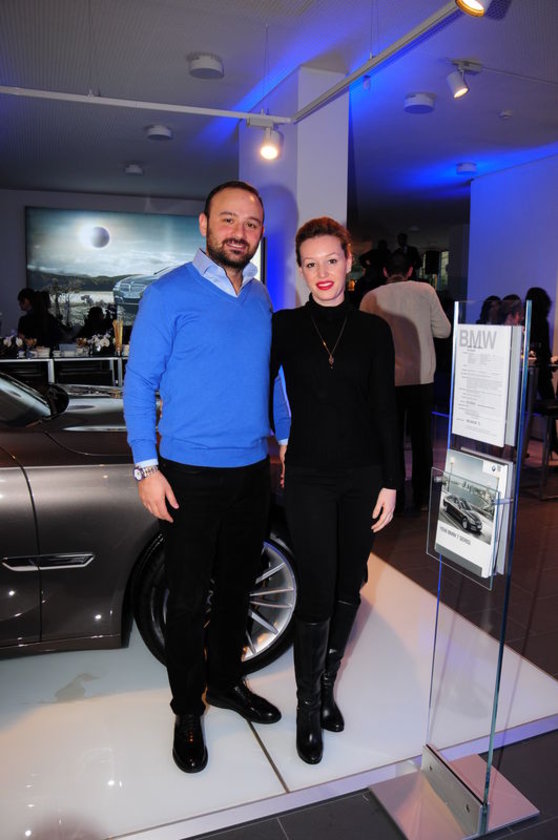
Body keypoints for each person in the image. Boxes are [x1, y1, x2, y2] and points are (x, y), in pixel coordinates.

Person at [123, 181, 290, 774]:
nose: (240, 232)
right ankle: (187, 709)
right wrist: (146, 466)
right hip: (188, 473)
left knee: (238, 589)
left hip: (250, 471)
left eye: (251, 223)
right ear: (204, 224)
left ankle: (224, 682)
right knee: (189, 599)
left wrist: (285, 437)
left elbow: (272, 378)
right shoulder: (168, 293)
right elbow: (139, 383)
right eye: (228, 219)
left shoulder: (261, 296)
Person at [271, 217, 399, 765]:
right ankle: (306, 706)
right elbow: (254, 389)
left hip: (363, 475)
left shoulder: (375, 331)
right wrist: (274, 440)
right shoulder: (284, 326)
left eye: (330, 260)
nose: (321, 272)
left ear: (349, 261)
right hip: (308, 476)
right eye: (310, 263)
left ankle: (325, 687)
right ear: (300, 270)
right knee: (318, 588)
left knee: (351, 582)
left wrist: (391, 480)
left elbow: (386, 410)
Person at [360, 251, 451, 513]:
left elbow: (362, 341)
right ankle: (422, 497)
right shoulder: (425, 291)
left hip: (388, 380)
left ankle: (396, 498)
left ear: (385, 272)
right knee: (422, 440)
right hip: (422, 378)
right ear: (411, 271)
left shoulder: (372, 297)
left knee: (391, 439)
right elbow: (444, 330)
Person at [353, 238, 391, 306]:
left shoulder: (387, 253)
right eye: (381, 246)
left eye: (383, 246)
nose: (382, 248)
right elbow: (362, 258)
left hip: (380, 276)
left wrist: (367, 266)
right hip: (375, 275)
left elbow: (362, 258)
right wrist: (367, 266)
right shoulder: (375, 252)